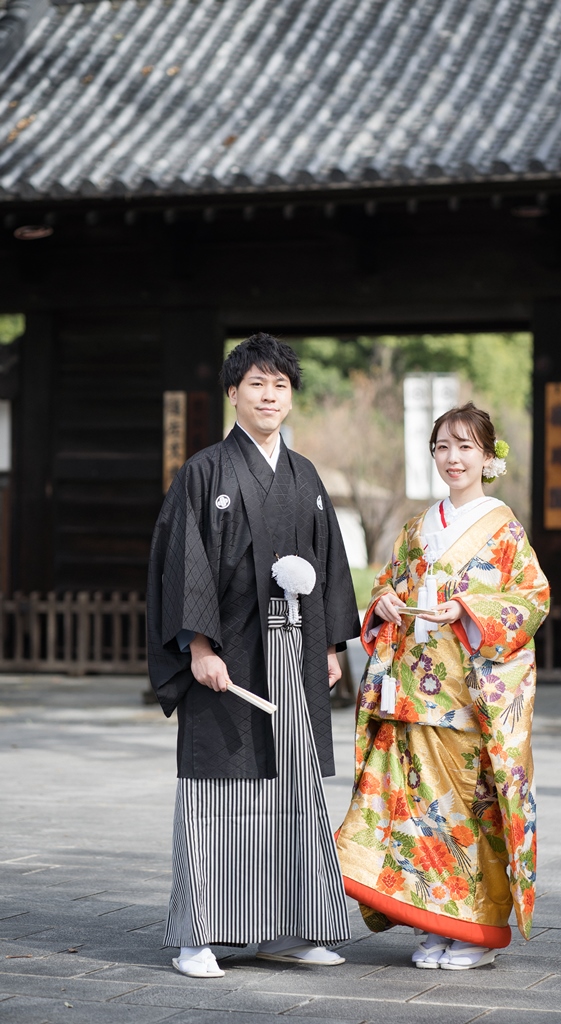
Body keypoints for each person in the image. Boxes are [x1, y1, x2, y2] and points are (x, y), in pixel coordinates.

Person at [147, 333, 360, 978]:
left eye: (281, 385)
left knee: (294, 787)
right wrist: (199, 647)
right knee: (219, 792)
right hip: (230, 654)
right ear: (233, 392)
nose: (270, 396)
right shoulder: (205, 471)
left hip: (295, 649)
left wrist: (330, 646)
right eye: (257, 384)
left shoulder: (305, 475)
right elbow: (182, 563)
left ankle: (289, 930)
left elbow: (328, 560)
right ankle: (197, 938)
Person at [336, 402, 549, 970]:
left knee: (465, 814)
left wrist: (468, 609)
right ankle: (432, 923)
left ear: (487, 456)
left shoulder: (504, 528)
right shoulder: (416, 527)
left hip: (466, 696)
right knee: (415, 813)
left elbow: (531, 598)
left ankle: (475, 931)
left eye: (465, 446)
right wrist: (385, 602)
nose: (453, 458)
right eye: (442, 447)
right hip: (411, 692)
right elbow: (389, 584)